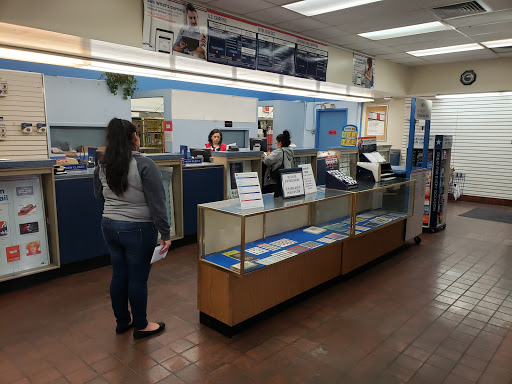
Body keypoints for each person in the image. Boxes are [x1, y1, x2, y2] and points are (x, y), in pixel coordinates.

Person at [94, 118, 171, 339]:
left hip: (108, 225)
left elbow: (99, 195)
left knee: (119, 275)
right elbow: (157, 203)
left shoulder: (102, 163)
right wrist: (165, 233)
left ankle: (123, 321)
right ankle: (141, 325)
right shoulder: (145, 164)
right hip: (138, 229)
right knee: (138, 278)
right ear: (134, 137)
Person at [262, 130, 294, 196]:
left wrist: (264, 156)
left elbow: (267, 161)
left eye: (276, 143)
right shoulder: (289, 152)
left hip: (276, 180)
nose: (276, 145)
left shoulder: (279, 151)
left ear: (280, 143)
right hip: (285, 179)